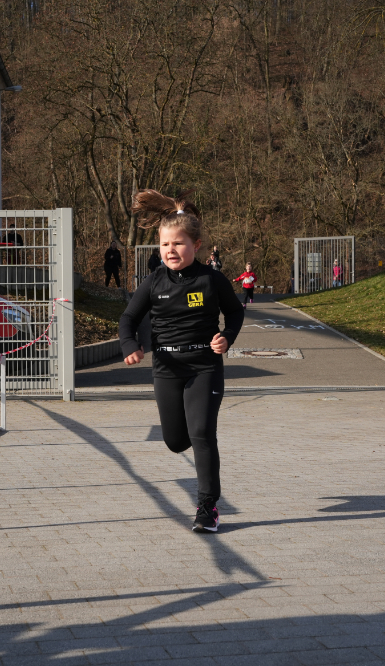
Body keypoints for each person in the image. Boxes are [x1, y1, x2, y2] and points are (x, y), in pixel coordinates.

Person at [119, 189, 244, 533]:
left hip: (204, 366)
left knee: (202, 433)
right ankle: (194, 432)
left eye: (178, 243)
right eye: (164, 244)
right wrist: (130, 344)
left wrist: (227, 337)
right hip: (167, 369)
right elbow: (128, 318)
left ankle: (207, 507)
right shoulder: (153, 281)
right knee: (176, 441)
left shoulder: (211, 279)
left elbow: (235, 312)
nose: (170, 250)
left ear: (196, 245)